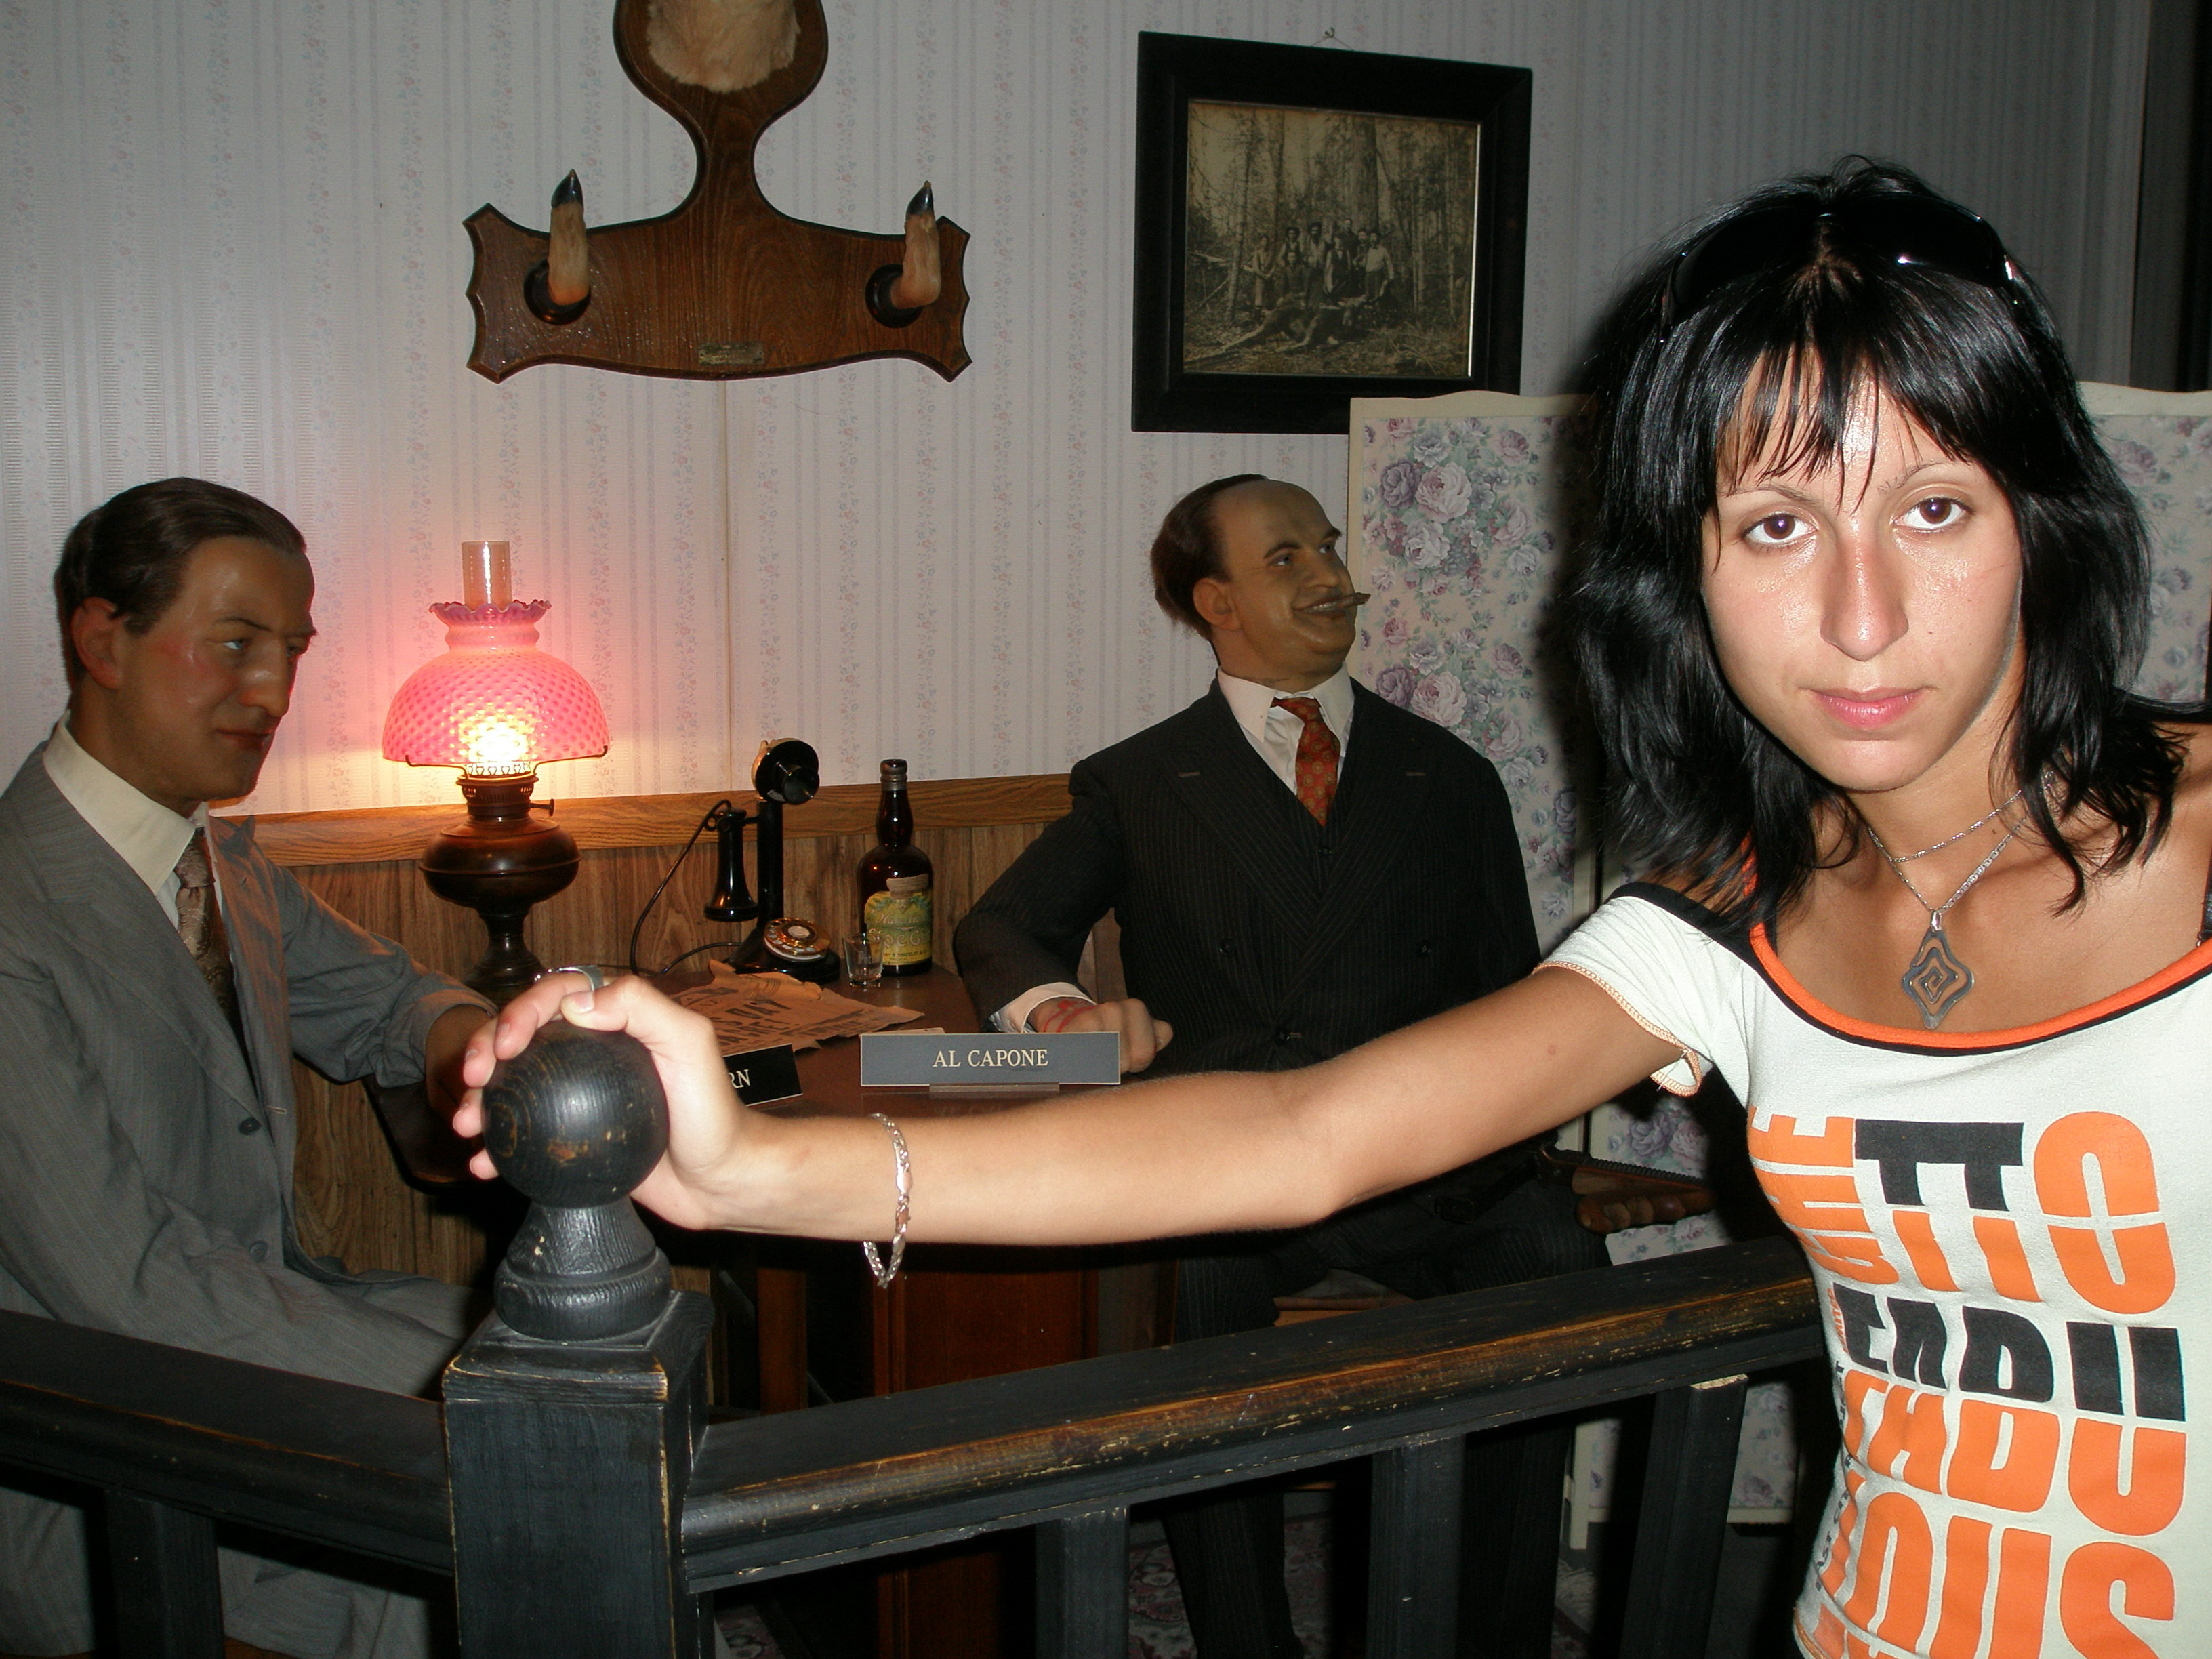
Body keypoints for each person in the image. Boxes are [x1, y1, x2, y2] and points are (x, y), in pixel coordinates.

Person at [465, 159, 2212, 1659]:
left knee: (1537, 1272)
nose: (1861, 614)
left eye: (1934, 506)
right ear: (1683, 577)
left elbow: (1473, 993)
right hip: (1858, 1616)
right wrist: (758, 1167)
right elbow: (1299, 1132)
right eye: (1773, 525)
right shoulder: (1725, 906)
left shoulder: (1446, 773)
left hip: (1474, 1204)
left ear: (2044, 520)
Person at [951, 474, 1605, 1658]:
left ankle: (1497, 1636)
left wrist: (1521, 1145)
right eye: (1286, 557)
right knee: (1194, 1290)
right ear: (1217, 603)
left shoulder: (1449, 774)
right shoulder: (1140, 781)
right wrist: (1062, 1012)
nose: (1329, 575)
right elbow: (1000, 928)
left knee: (1554, 1259)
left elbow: (1509, 991)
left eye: (1329, 548)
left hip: (1423, 1159)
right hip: (1235, 1167)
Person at [0, 479, 491, 1659]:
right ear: (102, 640)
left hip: (244, 1346)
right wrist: (467, 1388)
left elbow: (391, 1000)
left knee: (615, 1351)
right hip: (86, 1461)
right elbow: (131, 1287)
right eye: (235, 645)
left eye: (291, 652)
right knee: (509, 1491)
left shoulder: (214, 863)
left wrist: (476, 1044)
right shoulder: (15, 912)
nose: (272, 692)